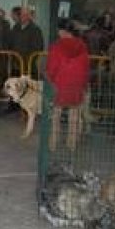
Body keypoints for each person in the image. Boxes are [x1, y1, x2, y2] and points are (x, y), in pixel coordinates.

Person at [46, 18, 90, 151]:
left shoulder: (57, 46)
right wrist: (84, 83)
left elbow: (52, 67)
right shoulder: (82, 46)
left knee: (55, 116)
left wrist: (49, 79)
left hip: (59, 83)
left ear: (62, 31)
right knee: (74, 115)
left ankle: (53, 143)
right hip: (76, 84)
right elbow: (86, 66)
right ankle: (72, 144)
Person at [9, 7, 44, 78]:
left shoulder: (35, 30)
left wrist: (28, 60)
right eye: (20, 14)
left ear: (29, 16)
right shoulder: (15, 27)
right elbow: (10, 43)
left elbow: (38, 47)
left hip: (28, 65)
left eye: (24, 15)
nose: (22, 16)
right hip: (15, 65)